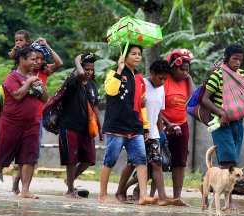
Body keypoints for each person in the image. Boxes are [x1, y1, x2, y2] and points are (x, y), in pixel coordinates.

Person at [201, 44, 244, 211]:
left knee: (234, 161)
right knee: (228, 161)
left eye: (241, 59)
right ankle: (228, 202)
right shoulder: (218, 76)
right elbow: (205, 99)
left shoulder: (242, 75)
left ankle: (214, 194)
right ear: (226, 57)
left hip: (238, 123)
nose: (238, 63)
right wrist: (220, 113)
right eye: (235, 59)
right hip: (222, 124)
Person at [99, 45, 157, 205]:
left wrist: (145, 126)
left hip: (135, 127)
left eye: (139, 54)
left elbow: (141, 106)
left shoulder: (139, 79)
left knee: (141, 160)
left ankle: (143, 196)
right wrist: (119, 69)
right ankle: (103, 195)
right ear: (125, 55)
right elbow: (110, 91)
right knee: (110, 159)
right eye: (134, 54)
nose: (137, 56)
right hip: (116, 126)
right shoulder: (114, 73)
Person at [0, 47, 47, 198]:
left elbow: (44, 98)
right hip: (11, 123)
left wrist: (40, 85)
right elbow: (17, 95)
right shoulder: (12, 77)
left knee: (29, 157)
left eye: (37, 60)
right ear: (22, 60)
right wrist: (28, 82)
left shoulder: (35, 76)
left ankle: (25, 190)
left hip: (32, 123)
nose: (36, 62)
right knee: (2, 156)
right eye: (32, 59)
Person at [118, 60, 181, 205]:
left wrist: (161, 133)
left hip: (153, 133)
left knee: (157, 164)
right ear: (152, 73)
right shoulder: (140, 84)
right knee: (132, 163)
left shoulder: (161, 88)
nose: (163, 81)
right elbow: (129, 106)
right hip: (138, 131)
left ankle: (163, 197)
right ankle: (120, 192)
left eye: (165, 79)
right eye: (160, 78)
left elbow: (159, 112)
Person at [11, 38, 63, 194]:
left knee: (32, 152)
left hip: (37, 117)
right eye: (35, 58)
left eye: (41, 59)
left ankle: (21, 184)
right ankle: (16, 180)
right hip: (20, 117)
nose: (39, 61)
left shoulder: (43, 72)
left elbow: (59, 63)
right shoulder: (19, 73)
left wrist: (47, 45)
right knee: (21, 153)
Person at [57, 53, 102, 198]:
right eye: (86, 68)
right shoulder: (73, 80)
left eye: (91, 69)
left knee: (89, 159)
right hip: (69, 125)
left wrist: (100, 129)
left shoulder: (93, 85)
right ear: (80, 68)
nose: (89, 72)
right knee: (71, 160)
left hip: (86, 128)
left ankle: (68, 181)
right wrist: (76, 59)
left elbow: (95, 107)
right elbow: (81, 74)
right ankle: (70, 190)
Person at [162, 49, 194, 205]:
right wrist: (166, 124)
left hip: (181, 125)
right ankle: (141, 191)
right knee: (156, 160)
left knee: (180, 161)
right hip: (162, 124)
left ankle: (176, 197)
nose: (185, 73)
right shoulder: (164, 80)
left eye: (187, 70)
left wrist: (189, 78)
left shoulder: (185, 81)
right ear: (173, 67)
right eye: (182, 69)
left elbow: (193, 99)